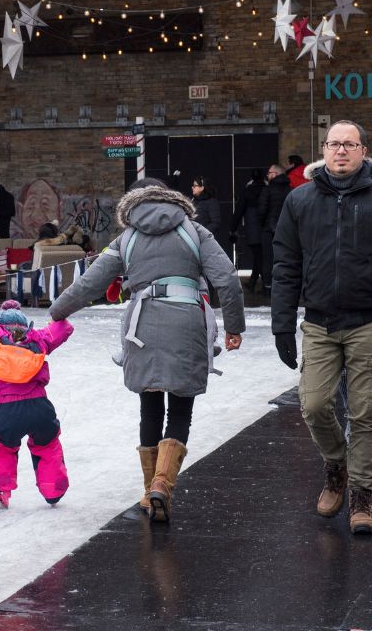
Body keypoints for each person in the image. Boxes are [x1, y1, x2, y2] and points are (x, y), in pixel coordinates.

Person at [47, 178, 244, 523]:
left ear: (133, 205)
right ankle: (163, 486)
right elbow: (226, 277)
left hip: (143, 326)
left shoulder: (126, 238)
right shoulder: (195, 232)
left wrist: (57, 312)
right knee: (180, 410)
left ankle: (148, 490)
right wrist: (234, 327)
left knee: (150, 405)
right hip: (187, 324)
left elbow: (89, 283)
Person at [271, 121, 372, 535]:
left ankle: (361, 496)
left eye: (349, 144)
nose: (341, 151)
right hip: (320, 321)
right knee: (315, 404)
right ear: (324, 149)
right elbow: (285, 265)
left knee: (364, 412)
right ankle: (336, 466)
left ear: (363, 150)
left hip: (369, 321)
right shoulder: (300, 199)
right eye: (334, 144)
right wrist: (282, 325)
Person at [0, 288, 74, 508]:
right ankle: (53, 491)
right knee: (47, 445)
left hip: (7, 410)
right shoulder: (38, 338)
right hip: (40, 407)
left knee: (1, 448)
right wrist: (64, 309)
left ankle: (2, 488)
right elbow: (63, 328)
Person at [230, 169, 266, 293]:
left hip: (252, 228)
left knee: (258, 257)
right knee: (261, 257)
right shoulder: (267, 190)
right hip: (266, 229)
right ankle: (254, 282)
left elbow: (239, 211)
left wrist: (233, 228)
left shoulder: (247, 192)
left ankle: (263, 284)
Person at [257, 164, 291, 293]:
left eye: (269, 173)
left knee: (268, 259)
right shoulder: (291, 189)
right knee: (285, 259)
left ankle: (268, 286)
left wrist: (263, 224)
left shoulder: (268, 190)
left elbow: (261, 210)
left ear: (276, 174)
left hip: (268, 230)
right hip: (287, 231)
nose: (267, 175)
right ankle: (284, 286)